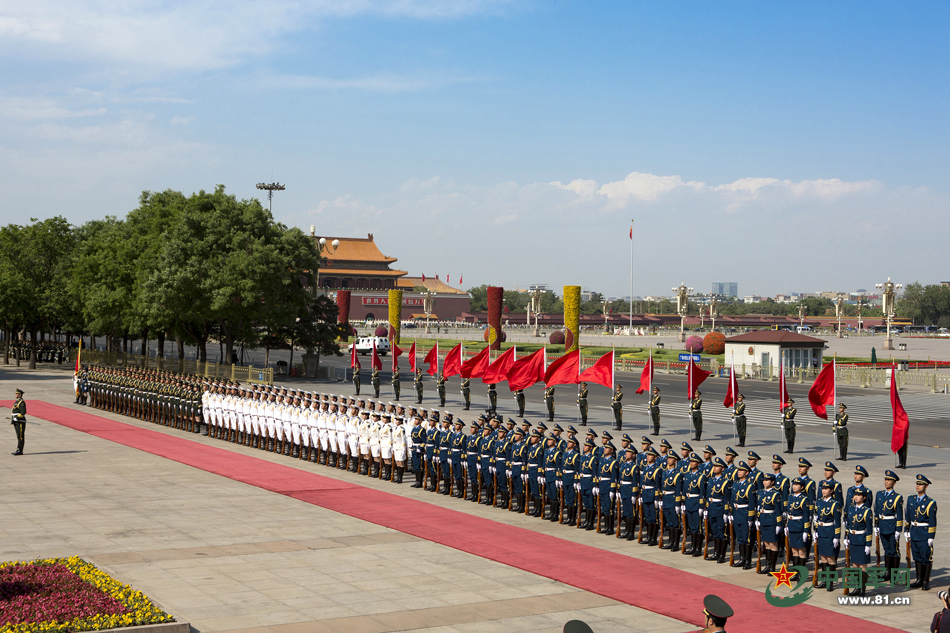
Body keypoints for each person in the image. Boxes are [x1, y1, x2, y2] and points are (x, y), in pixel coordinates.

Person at [907, 474, 937, 590]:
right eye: (917, 484)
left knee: (926, 557)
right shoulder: (911, 499)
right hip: (914, 531)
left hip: (924, 533)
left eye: (921, 484)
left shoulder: (930, 502)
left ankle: (925, 581)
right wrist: (907, 530)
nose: (918, 486)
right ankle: (919, 579)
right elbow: (908, 516)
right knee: (917, 557)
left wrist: (931, 536)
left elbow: (932, 521)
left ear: (926, 486)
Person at [844, 488, 874, 595]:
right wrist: (846, 537)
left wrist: (868, 544)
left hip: (862, 539)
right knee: (855, 564)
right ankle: (856, 587)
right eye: (855, 495)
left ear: (864, 497)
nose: (856, 497)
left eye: (859, 495)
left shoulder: (867, 511)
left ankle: (862, 588)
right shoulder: (851, 509)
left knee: (862, 566)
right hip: (853, 539)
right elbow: (848, 525)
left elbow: (869, 529)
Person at [875, 470, 905, 577]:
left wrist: (898, 530)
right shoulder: (879, 494)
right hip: (882, 525)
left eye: (889, 480)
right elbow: (876, 511)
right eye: (886, 480)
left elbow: (900, 516)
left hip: (891, 526)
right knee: (886, 550)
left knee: (894, 550)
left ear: (894, 483)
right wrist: (876, 525)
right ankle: (887, 572)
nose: (886, 482)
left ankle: (894, 574)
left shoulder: (897, 497)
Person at [814, 481, 842, 592]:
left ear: (831, 491)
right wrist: (815, 530)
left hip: (830, 532)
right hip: (821, 531)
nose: (824, 490)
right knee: (823, 557)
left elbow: (837, 522)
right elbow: (817, 517)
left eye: (826, 489)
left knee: (831, 558)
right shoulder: (819, 502)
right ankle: (824, 580)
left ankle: (830, 582)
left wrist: (837, 536)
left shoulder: (835, 504)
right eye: (823, 488)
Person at [785, 478, 813, 578]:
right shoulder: (791, 497)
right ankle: (795, 572)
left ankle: (801, 573)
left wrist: (806, 531)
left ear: (801, 487)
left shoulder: (804, 499)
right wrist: (787, 526)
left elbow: (806, 516)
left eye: (797, 485)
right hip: (792, 525)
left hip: (800, 526)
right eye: (794, 484)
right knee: (794, 550)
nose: (794, 486)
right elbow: (789, 513)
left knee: (801, 551)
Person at [705, 457, 731, 564]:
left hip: (720, 509)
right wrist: (706, 508)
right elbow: (707, 495)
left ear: (722, 469)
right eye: (714, 466)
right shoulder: (711, 480)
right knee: (715, 531)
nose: (714, 468)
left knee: (722, 532)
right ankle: (716, 553)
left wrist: (726, 512)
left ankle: (722, 555)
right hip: (711, 508)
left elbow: (727, 499)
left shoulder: (726, 482)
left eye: (717, 466)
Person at [10, 388, 26, 455]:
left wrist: (17, 417)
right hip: (16, 420)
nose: (15, 394)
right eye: (15, 393)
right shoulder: (17, 401)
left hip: (20, 421)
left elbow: (23, 412)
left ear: (20, 395)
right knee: (18, 436)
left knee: (20, 436)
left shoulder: (21, 402)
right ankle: (18, 449)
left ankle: (20, 450)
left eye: (17, 394)